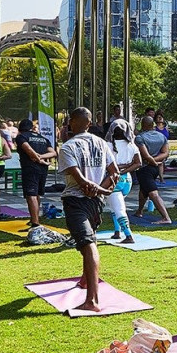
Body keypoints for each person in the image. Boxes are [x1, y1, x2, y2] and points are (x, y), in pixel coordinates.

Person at [58, 107, 119, 313]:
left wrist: (96, 188)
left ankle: (92, 300)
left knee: (88, 243)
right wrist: (102, 189)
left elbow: (82, 182)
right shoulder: (101, 143)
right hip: (96, 201)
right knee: (89, 238)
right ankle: (85, 280)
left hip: (76, 201)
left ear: (72, 122)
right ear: (90, 123)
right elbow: (115, 173)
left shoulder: (68, 147)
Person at [105, 119, 141, 243]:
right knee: (115, 206)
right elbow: (138, 163)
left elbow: (105, 164)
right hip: (127, 179)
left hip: (114, 179)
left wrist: (117, 170)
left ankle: (128, 235)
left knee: (118, 208)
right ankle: (117, 231)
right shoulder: (132, 145)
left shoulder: (107, 145)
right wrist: (125, 169)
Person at [15, 120, 56, 227]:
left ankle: (35, 222)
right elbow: (53, 153)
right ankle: (35, 218)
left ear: (20, 129)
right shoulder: (43, 138)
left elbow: (28, 150)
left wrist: (38, 158)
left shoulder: (21, 137)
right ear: (31, 128)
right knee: (36, 194)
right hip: (43, 169)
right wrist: (42, 158)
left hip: (30, 168)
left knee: (31, 195)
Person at [134, 117, 173, 223]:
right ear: (153, 125)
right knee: (144, 189)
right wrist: (155, 161)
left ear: (143, 125)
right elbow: (165, 153)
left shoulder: (139, 138)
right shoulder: (161, 136)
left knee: (153, 193)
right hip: (155, 168)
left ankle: (166, 217)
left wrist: (151, 161)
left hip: (145, 168)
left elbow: (146, 155)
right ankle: (139, 211)